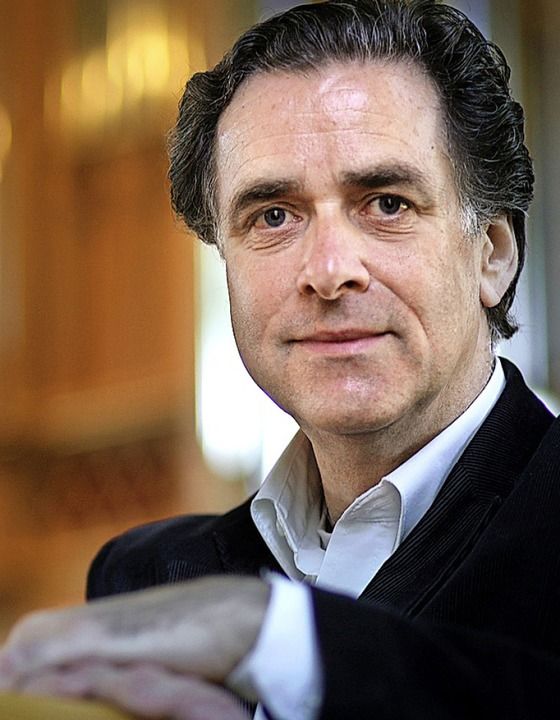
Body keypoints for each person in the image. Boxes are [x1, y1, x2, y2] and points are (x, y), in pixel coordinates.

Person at [1, 0, 560, 718]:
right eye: (273, 216)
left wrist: (274, 637)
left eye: (386, 204)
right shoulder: (148, 578)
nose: (329, 271)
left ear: (493, 255)